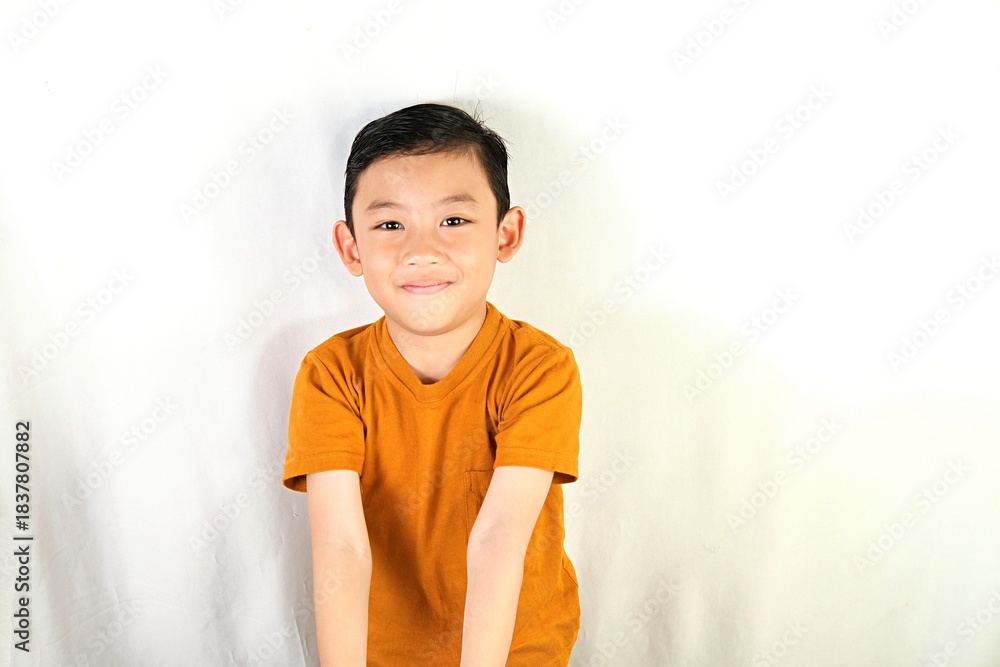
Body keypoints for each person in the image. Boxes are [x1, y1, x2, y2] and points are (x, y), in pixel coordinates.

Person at [282, 102, 583, 667]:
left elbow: (499, 539)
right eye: (390, 225)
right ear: (351, 247)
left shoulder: (539, 368)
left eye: (454, 221)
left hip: (514, 652)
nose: (421, 251)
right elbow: (340, 547)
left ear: (506, 234)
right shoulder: (331, 373)